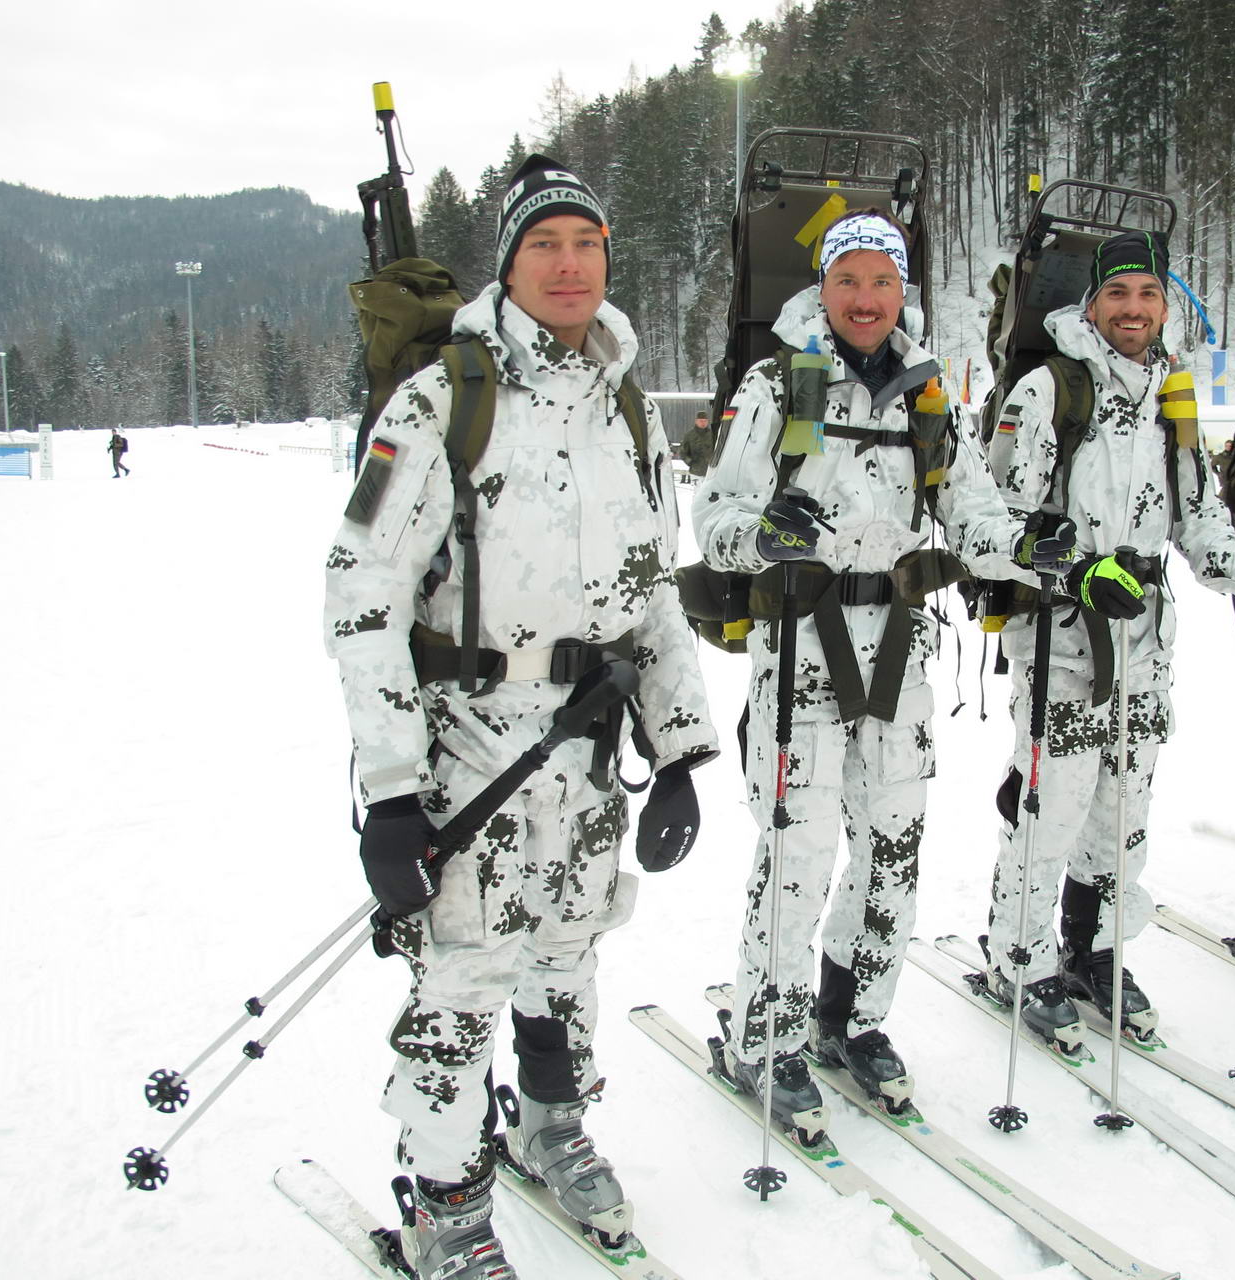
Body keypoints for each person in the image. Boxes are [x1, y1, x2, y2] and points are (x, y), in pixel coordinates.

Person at [323, 154, 718, 1279]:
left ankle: (549, 1124)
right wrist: (391, 793)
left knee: (568, 957)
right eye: (544, 243)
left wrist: (680, 747)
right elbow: (363, 600)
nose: (568, 263)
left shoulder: (626, 405)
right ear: (508, 262)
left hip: (586, 752)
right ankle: (445, 1198)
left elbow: (651, 593)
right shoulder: (448, 396)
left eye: (586, 242)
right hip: (470, 750)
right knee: (461, 981)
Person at [693, 208, 1047, 1139]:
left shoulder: (927, 396)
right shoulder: (778, 382)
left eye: (880, 282)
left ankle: (851, 1016)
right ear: (822, 286)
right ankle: (758, 1032)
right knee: (797, 851)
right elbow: (716, 512)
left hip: (898, 641)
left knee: (892, 843)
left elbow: (971, 510)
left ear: (903, 293)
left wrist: (1027, 548)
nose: (864, 299)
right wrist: (756, 535)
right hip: (801, 642)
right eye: (847, 279)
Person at [979, 229, 1235, 1049]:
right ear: (1090, 304)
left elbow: (1196, 519)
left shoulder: (1171, 394)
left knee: (1122, 809)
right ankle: (1014, 958)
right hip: (1063, 635)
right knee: (1049, 803)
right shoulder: (1045, 391)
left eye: (1148, 295)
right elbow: (995, 524)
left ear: (1166, 305)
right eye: (1118, 295)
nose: (1134, 310)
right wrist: (1073, 572)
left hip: (1145, 639)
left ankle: (1093, 950)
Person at [681, 408, 715, 477]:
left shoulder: (713, 435)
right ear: (696, 421)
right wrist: (691, 463)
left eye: (705, 421)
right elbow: (683, 452)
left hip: (710, 472)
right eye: (701, 421)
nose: (703, 423)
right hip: (695, 473)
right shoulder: (689, 435)